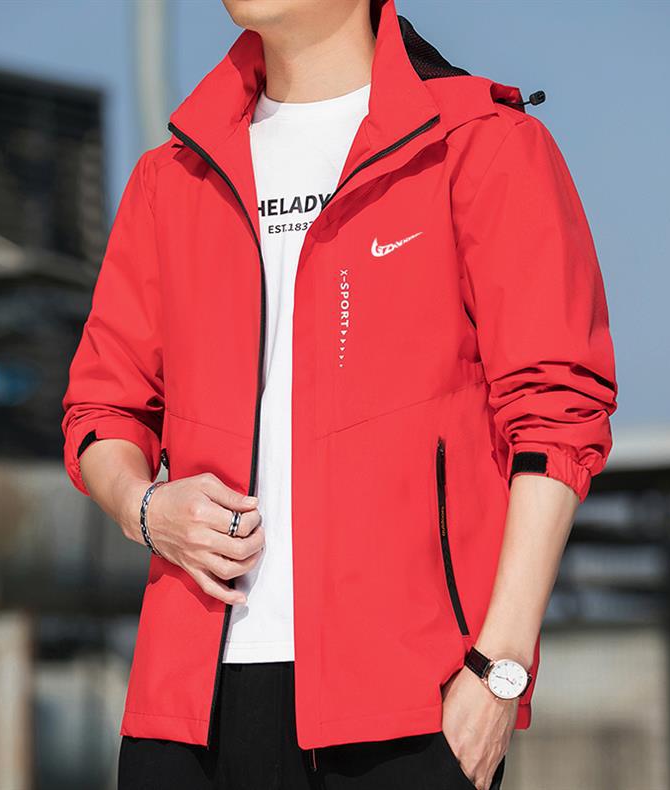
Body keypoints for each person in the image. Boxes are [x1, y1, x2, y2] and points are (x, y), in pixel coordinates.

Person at [61, 0, 618, 788]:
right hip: (186, 713)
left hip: (411, 708)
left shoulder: (481, 144)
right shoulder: (172, 177)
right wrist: (142, 508)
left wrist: (501, 668)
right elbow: (101, 408)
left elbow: (557, 418)